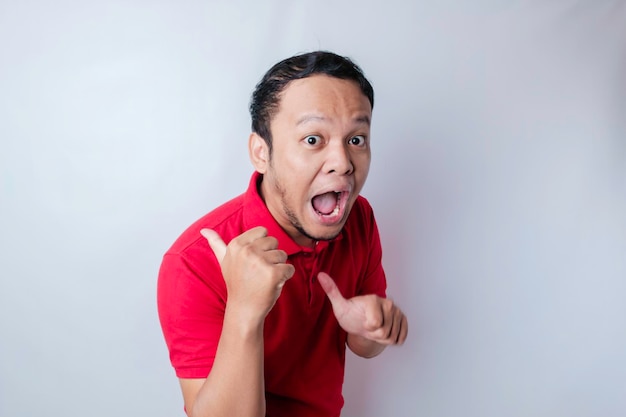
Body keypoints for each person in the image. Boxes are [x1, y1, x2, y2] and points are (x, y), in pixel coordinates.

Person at [157, 50, 408, 417]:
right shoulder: (192, 262)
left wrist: (373, 327)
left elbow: (363, 345)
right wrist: (244, 309)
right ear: (261, 152)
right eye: (312, 139)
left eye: (357, 139)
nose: (342, 162)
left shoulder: (359, 219)